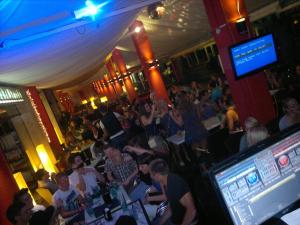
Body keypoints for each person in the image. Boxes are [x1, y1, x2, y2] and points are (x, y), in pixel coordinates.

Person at [149, 159, 198, 225]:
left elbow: (192, 211)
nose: (151, 177)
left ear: (157, 175)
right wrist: (160, 223)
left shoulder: (174, 184)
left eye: (151, 174)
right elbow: (171, 207)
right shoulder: (166, 182)